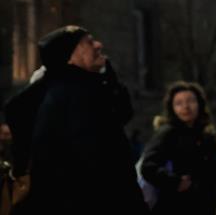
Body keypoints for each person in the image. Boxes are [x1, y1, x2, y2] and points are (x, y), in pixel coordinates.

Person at [2, 26, 147, 213]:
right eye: (88, 42)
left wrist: (107, 76)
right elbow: (96, 163)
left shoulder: (74, 88)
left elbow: (121, 114)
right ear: (69, 56)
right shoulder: (76, 96)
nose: (98, 45)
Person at [139, 82, 216, 215]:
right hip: (175, 205)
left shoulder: (206, 135)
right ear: (172, 107)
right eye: (179, 103)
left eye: (191, 101)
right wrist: (174, 182)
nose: (186, 107)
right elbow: (148, 166)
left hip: (204, 204)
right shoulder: (167, 133)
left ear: (199, 104)